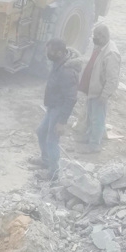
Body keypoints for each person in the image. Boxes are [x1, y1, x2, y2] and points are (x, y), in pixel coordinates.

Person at [33, 39, 81, 178]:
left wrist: (62, 122)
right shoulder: (59, 63)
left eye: (50, 52)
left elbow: (71, 98)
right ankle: (46, 160)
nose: (48, 54)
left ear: (60, 52)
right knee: (41, 132)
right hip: (52, 106)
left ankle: (54, 172)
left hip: (59, 110)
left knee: (52, 141)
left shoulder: (67, 71)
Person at [78, 23, 120, 153]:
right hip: (93, 88)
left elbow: (112, 79)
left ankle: (94, 145)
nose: (94, 39)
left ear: (103, 36)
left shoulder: (111, 54)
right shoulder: (100, 46)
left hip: (99, 92)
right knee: (90, 115)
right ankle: (89, 136)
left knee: (98, 119)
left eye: (96, 36)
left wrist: (105, 94)